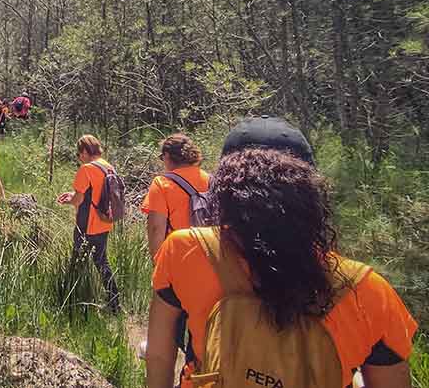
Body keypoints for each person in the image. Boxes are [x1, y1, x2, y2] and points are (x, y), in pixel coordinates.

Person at [146, 117, 418, 388]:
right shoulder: (366, 290)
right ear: (309, 193)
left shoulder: (185, 250)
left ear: (223, 190)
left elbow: (159, 355)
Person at [57, 134, 121, 313]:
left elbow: (78, 200)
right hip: (104, 222)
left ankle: (71, 302)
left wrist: (69, 200)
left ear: (85, 151)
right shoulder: (108, 167)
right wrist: (74, 196)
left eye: (79, 154)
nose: (79, 158)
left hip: (88, 224)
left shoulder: (86, 169)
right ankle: (113, 303)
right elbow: (92, 194)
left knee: (78, 263)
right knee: (102, 263)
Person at [142, 134, 210, 258]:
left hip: (179, 255)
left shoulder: (161, 183)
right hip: (210, 253)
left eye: (162, 157)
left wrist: (157, 262)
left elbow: (156, 228)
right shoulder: (210, 179)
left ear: (167, 156)